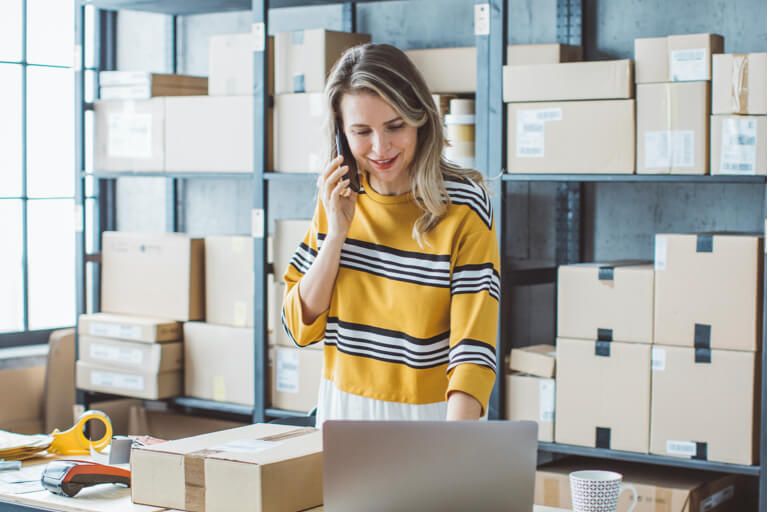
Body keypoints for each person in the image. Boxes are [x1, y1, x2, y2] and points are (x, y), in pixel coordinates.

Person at [280, 43, 499, 425]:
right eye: (361, 131)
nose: (381, 147)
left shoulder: (464, 206)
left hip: (435, 417)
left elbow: (473, 347)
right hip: (342, 408)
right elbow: (299, 326)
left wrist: (457, 446)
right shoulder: (337, 197)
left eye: (395, 126)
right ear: (341, 135)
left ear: (420, 118)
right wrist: (336, 235)